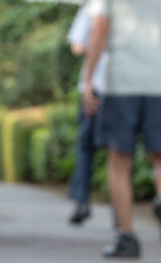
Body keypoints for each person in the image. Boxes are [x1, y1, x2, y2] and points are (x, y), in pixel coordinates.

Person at [81, 0, 161, 258]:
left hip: (121, 81)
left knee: (119, 162)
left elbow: (99, 27)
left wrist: (88, 79)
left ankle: (127, 237)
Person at [66, 1, 106, 225]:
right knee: (90, 145)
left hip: (110, 88)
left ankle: (118, 213)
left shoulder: (97, 8)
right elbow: (76, 45)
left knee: (93, 149)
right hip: (104, 87)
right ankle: (82, 201)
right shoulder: (91, 8)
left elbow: (78, 45)